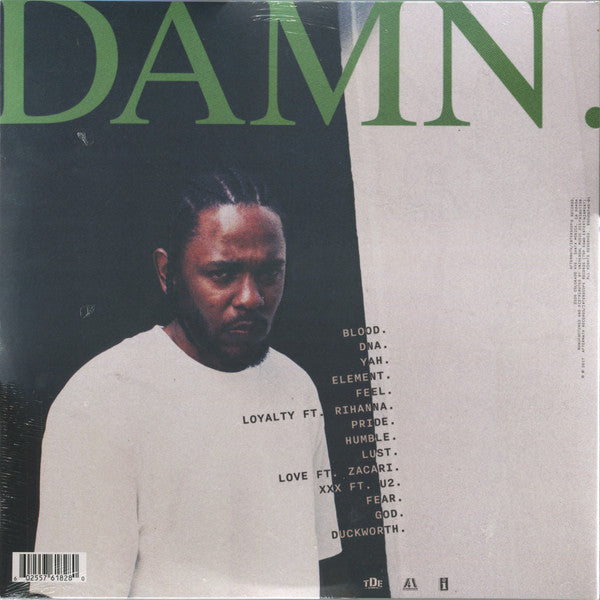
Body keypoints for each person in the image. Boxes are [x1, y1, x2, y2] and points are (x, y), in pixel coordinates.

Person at [31, 170, 341, 598]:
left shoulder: (295, 386)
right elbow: (65, 590)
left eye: (270, 273)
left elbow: (311, 565)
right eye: (222, 274)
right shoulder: (101, 397)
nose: (251, 297)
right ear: (167, 272)